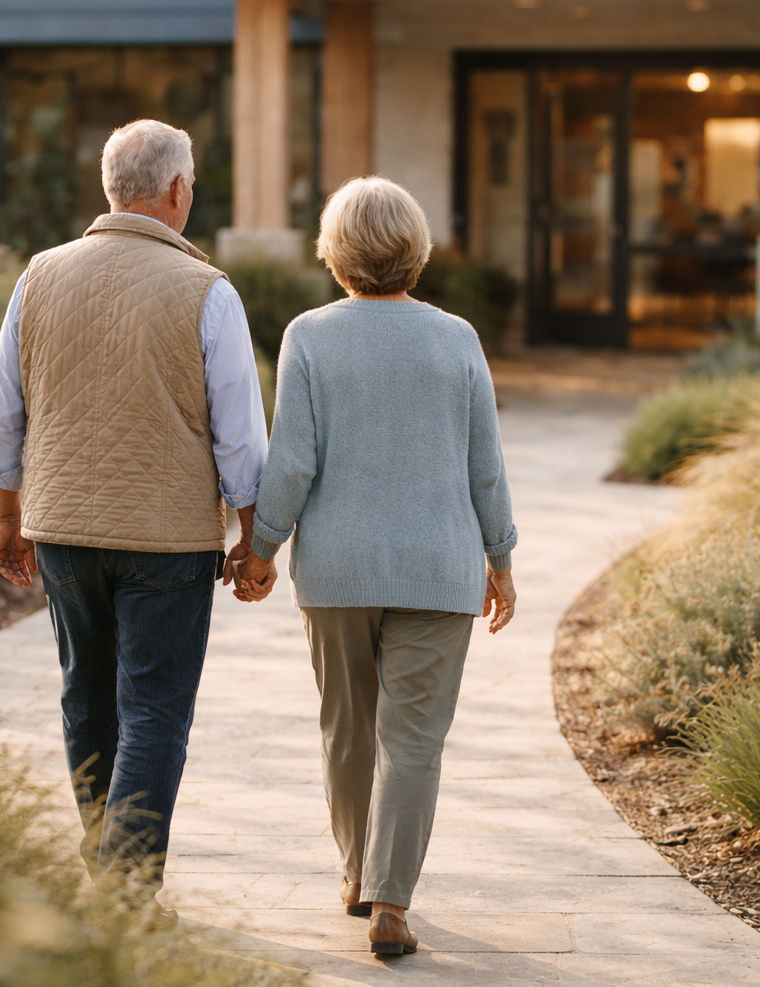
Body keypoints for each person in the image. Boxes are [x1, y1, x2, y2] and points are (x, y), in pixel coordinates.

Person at [0, 119, 277, 917]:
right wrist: (254, 537)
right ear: (177, 192)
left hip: (63, 532)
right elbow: (241, 434)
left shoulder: (39, 275)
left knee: (87, 696)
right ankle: (125, 889)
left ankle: (104, 864)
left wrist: (6, 517)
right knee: (153, 710)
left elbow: (2, 413)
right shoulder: (209, 292)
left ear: (112, 189)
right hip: (168, 544)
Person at [237, 176, 518, 957]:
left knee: (347, 728)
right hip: (440, 567)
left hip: (337, 569)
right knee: (415, 739)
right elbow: (484, 465)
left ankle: (358, 874)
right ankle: (393, 900)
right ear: (416, 251)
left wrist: (261, 546)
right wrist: (500, 556)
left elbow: (292, 460)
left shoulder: (310, 335)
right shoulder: (457, 337)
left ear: (335, 254)